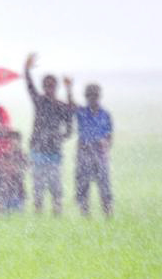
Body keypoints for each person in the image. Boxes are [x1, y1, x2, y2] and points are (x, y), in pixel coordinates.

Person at [25, 53, 74, 215]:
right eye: (46, 85)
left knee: (55, 189)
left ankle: (56, 215)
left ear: (55, 87)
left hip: (53, 152)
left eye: (51, 85)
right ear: (43, 86)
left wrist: (69, 90)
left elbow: (69, 125)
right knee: (38, 188)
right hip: (38, 151)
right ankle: (39, 215)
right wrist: (26, 70)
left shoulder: (60, 106)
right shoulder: (39, 101)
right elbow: (30, 87)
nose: (49, 88)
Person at [66, 78, 114, 218]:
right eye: (90, 95)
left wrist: (104, 143)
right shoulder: (82, 112)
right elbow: (71, 105)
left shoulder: (105, 115)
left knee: (104, 188)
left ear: (99, 96)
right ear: (86, 96)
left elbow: (109, 137)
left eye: (95, 95)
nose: (93, 98)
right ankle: (85, 216)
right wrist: (69, 89)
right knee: (83, 188)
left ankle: (108, 215)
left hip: (100, 155)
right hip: (84, 154)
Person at [0, 131, 28, 212]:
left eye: (16, 140)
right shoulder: (4, 154)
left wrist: (15, 168)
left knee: (17, 213)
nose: (13, 142)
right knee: (4, 212)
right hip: (6, 189)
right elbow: (1, 168)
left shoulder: (22, 155)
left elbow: (24, 168)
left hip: (18, 188)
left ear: (19, 142)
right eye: (11, 140)